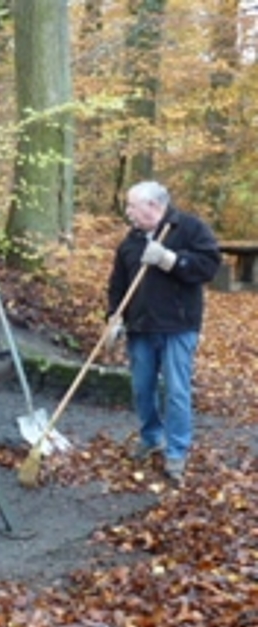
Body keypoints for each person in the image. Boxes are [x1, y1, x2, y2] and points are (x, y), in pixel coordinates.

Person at [106, 180, 221, 483]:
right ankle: (151, 437)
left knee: (177, 392)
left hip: (178, 326)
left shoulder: (189, 229)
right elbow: (118, 285)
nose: (128, 212)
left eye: (132, 206)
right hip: (141, 327)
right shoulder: (130, 242)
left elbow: (209, 267)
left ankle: (176, 451)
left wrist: (171, 260)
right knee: (142, 389)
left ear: (154, 206)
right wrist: (113, 318)